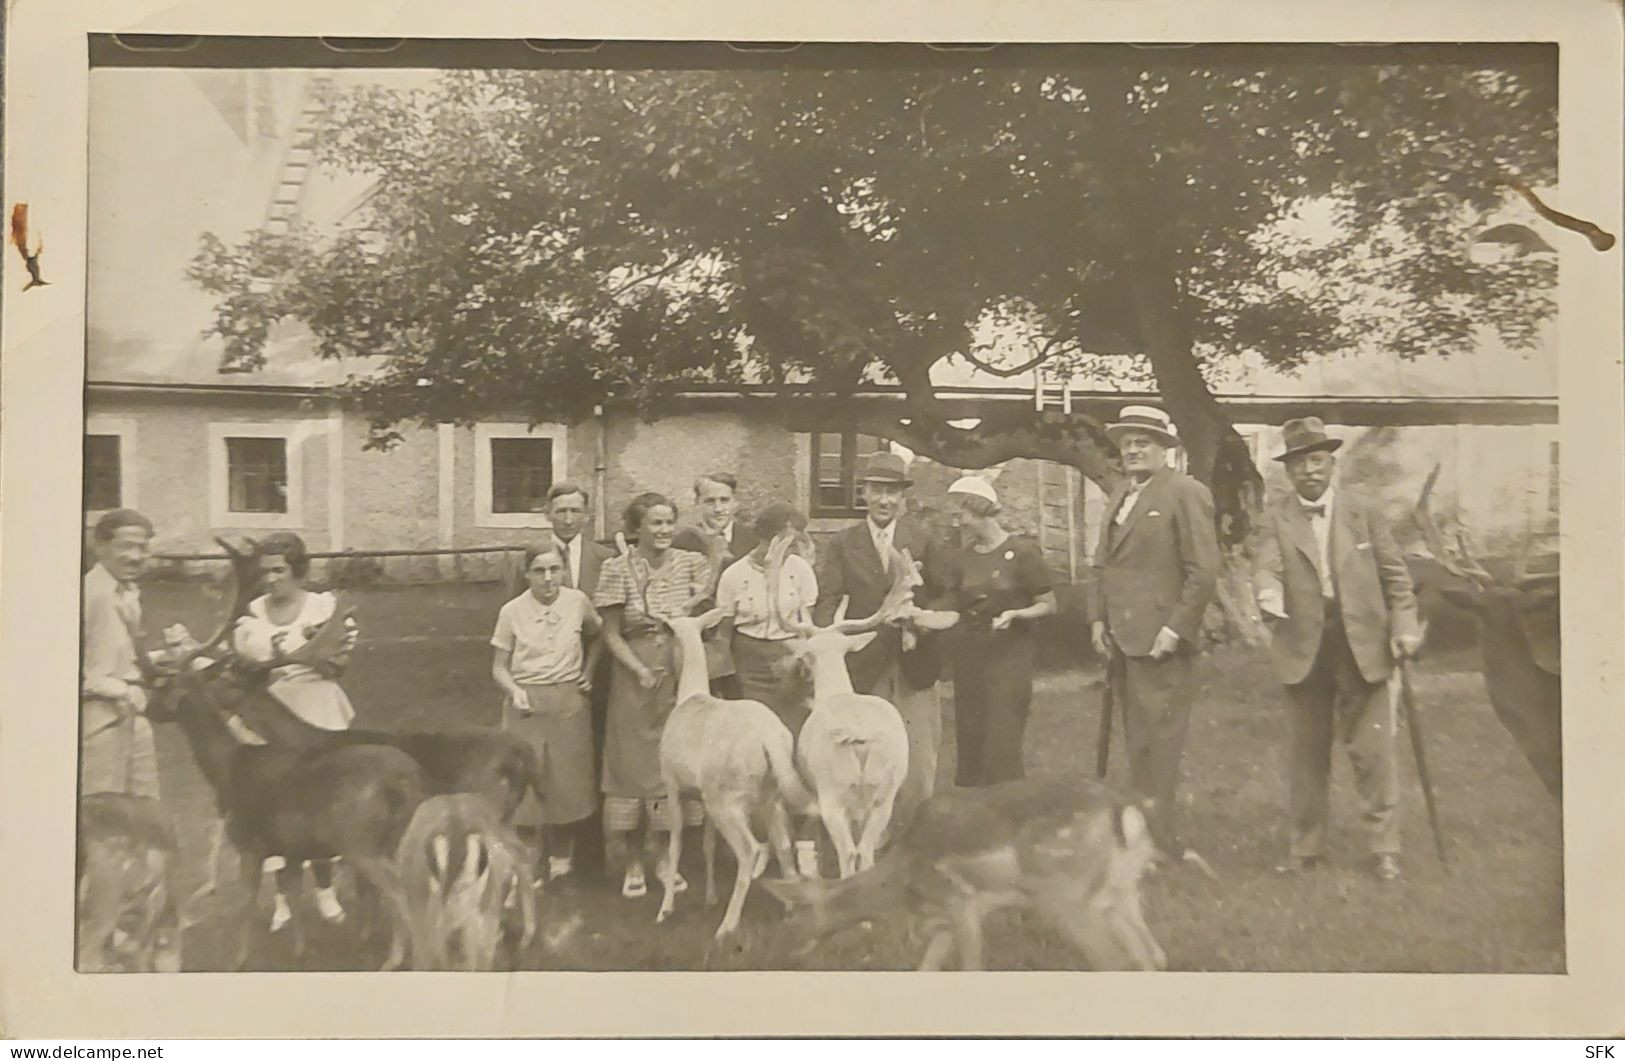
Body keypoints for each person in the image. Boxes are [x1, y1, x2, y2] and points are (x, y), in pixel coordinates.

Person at [1254, 417, 1423, 882]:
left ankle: (1384, 849)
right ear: (1287, 472)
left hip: (1363, 644)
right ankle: (1305, 848)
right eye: (1298, 464)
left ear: (1331, 463)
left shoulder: (1362, 511)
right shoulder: (1276, 515)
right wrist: (1267, 594)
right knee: (1306, 754)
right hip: (1304, 644)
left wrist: (1404, 627)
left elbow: (1396, 580)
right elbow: (1266, 565)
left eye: (1316, 460)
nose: (1308, 471)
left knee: (1373, 753)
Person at [1087, 405, 1220, 870]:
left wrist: (1174, 629)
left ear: (1165, 448)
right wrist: (1098, 620)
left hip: (1162, 642)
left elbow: (1203, 571)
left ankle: (1160, 845)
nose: (1133, 449)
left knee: (1160, 747)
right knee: (1136, 742)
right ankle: (1138, 836)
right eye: (1126, 442)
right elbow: (1102, 564)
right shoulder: (1121, 492)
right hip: (1123, 639)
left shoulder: (1185, 492)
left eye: (1144, 441)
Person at [813, 451, 951, 833]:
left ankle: (915, 843)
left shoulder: (922, 541)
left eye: (892, 492)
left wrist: (920, 619)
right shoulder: (843, 544)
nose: (884, 500)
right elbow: (826, 602)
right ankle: (870, 846)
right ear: (864, 494)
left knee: (918, 766)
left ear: (903, 498)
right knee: (866, 764)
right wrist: (845, 633)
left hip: (914, 668)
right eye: (877, 491)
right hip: (863, 670)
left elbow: (946, 595)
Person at [231, 531, 359, 929]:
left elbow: (338, 665)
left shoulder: (324, 608)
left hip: (318, 709)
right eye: (265, 571)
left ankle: (325, 891)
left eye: (279, 570)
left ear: (298, 571)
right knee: (276, 808)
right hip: (272, 713)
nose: (270, 579)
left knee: (319, 805)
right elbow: (241, 668)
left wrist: (318, 652)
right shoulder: (251, 613)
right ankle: (284, 899)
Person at [592, 492, 713, 899]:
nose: (663, 531)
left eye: (668, 523)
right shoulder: (617, 568)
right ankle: (631, 862)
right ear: (636, 528)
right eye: (655, 524)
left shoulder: (690, 564)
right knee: (632, 767)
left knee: (672, 763)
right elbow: (610, 632)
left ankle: (663, 857)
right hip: (635, 674)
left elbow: (704, 612)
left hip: (680, 668)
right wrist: (639, 669)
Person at [491, 542, 604, 881]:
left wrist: (589, 670)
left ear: (564, 571)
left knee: (565, 786)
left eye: (555, 569)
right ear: (526, 574)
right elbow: (498, 666)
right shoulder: (511, 611)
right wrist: (514, 690)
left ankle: (560, 864)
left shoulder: (577, 602)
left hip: (567, 701)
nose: (548, 578)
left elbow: (599, 634)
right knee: (525, 786)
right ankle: (527, 865)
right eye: (539, 571)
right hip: (527, 704)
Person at [942, 476, 1058, 786]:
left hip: (1009, 661)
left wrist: (1016, 613)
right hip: (970, 661)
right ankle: (975, 821)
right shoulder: (962, 557)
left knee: (1002, 745)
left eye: (961, 514)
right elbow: (952, 604)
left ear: (979, 509)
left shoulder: (1022, 552)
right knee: (971, 742)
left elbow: (1048, 603)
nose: (958, 523)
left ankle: (1009, 817)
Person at [714, 502, 820, 734]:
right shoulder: (734, 575)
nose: (793, 549)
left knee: (794, 728)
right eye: (788, 541)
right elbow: (723, 633)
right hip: (749, 665)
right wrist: (724, 678)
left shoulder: (800, 570)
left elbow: (806, 623)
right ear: (769, 538)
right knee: (755, 731)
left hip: (789, 663)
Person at [81, 508, 161, 800]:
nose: (136, 556)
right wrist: (121, 690)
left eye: (142, 547)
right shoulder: (90, 594)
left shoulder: (126, 593)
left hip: (133, 716)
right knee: (104, 815)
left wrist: (170, 655)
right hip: (100, 719)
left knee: (145, 809)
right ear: (99, 546)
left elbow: (122, 656)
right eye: (125, 546)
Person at [673, 472, 758, 699]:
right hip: (702, 638)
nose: (718, 508)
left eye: (724, 500)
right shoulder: (683, 542)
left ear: (735, 502)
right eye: (710, 502)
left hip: (743, 638)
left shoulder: (752, 540)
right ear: (697, 503)